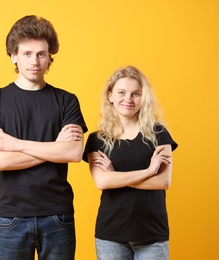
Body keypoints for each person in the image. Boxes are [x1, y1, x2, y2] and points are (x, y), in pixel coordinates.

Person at [0, 15, 87, 260]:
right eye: (27, 54)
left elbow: (74, 153)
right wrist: (55, 148)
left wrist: (14, 145)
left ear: (50, 58)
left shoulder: (67, 100)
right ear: (13, 56)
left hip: (58, 215)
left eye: (41, 54)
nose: (34, 61)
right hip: (12, 217)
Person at [83, 66, 178, 260]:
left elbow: (163, 182)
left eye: (136, 94)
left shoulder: (159, 134)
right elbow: (102, 182)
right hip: (111, 235)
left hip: (152, 235)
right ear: (110, 96)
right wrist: (149, 170)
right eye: (121, 92)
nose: (128, 99)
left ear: (144, 98)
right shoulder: (97, 139)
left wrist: (115, 176)